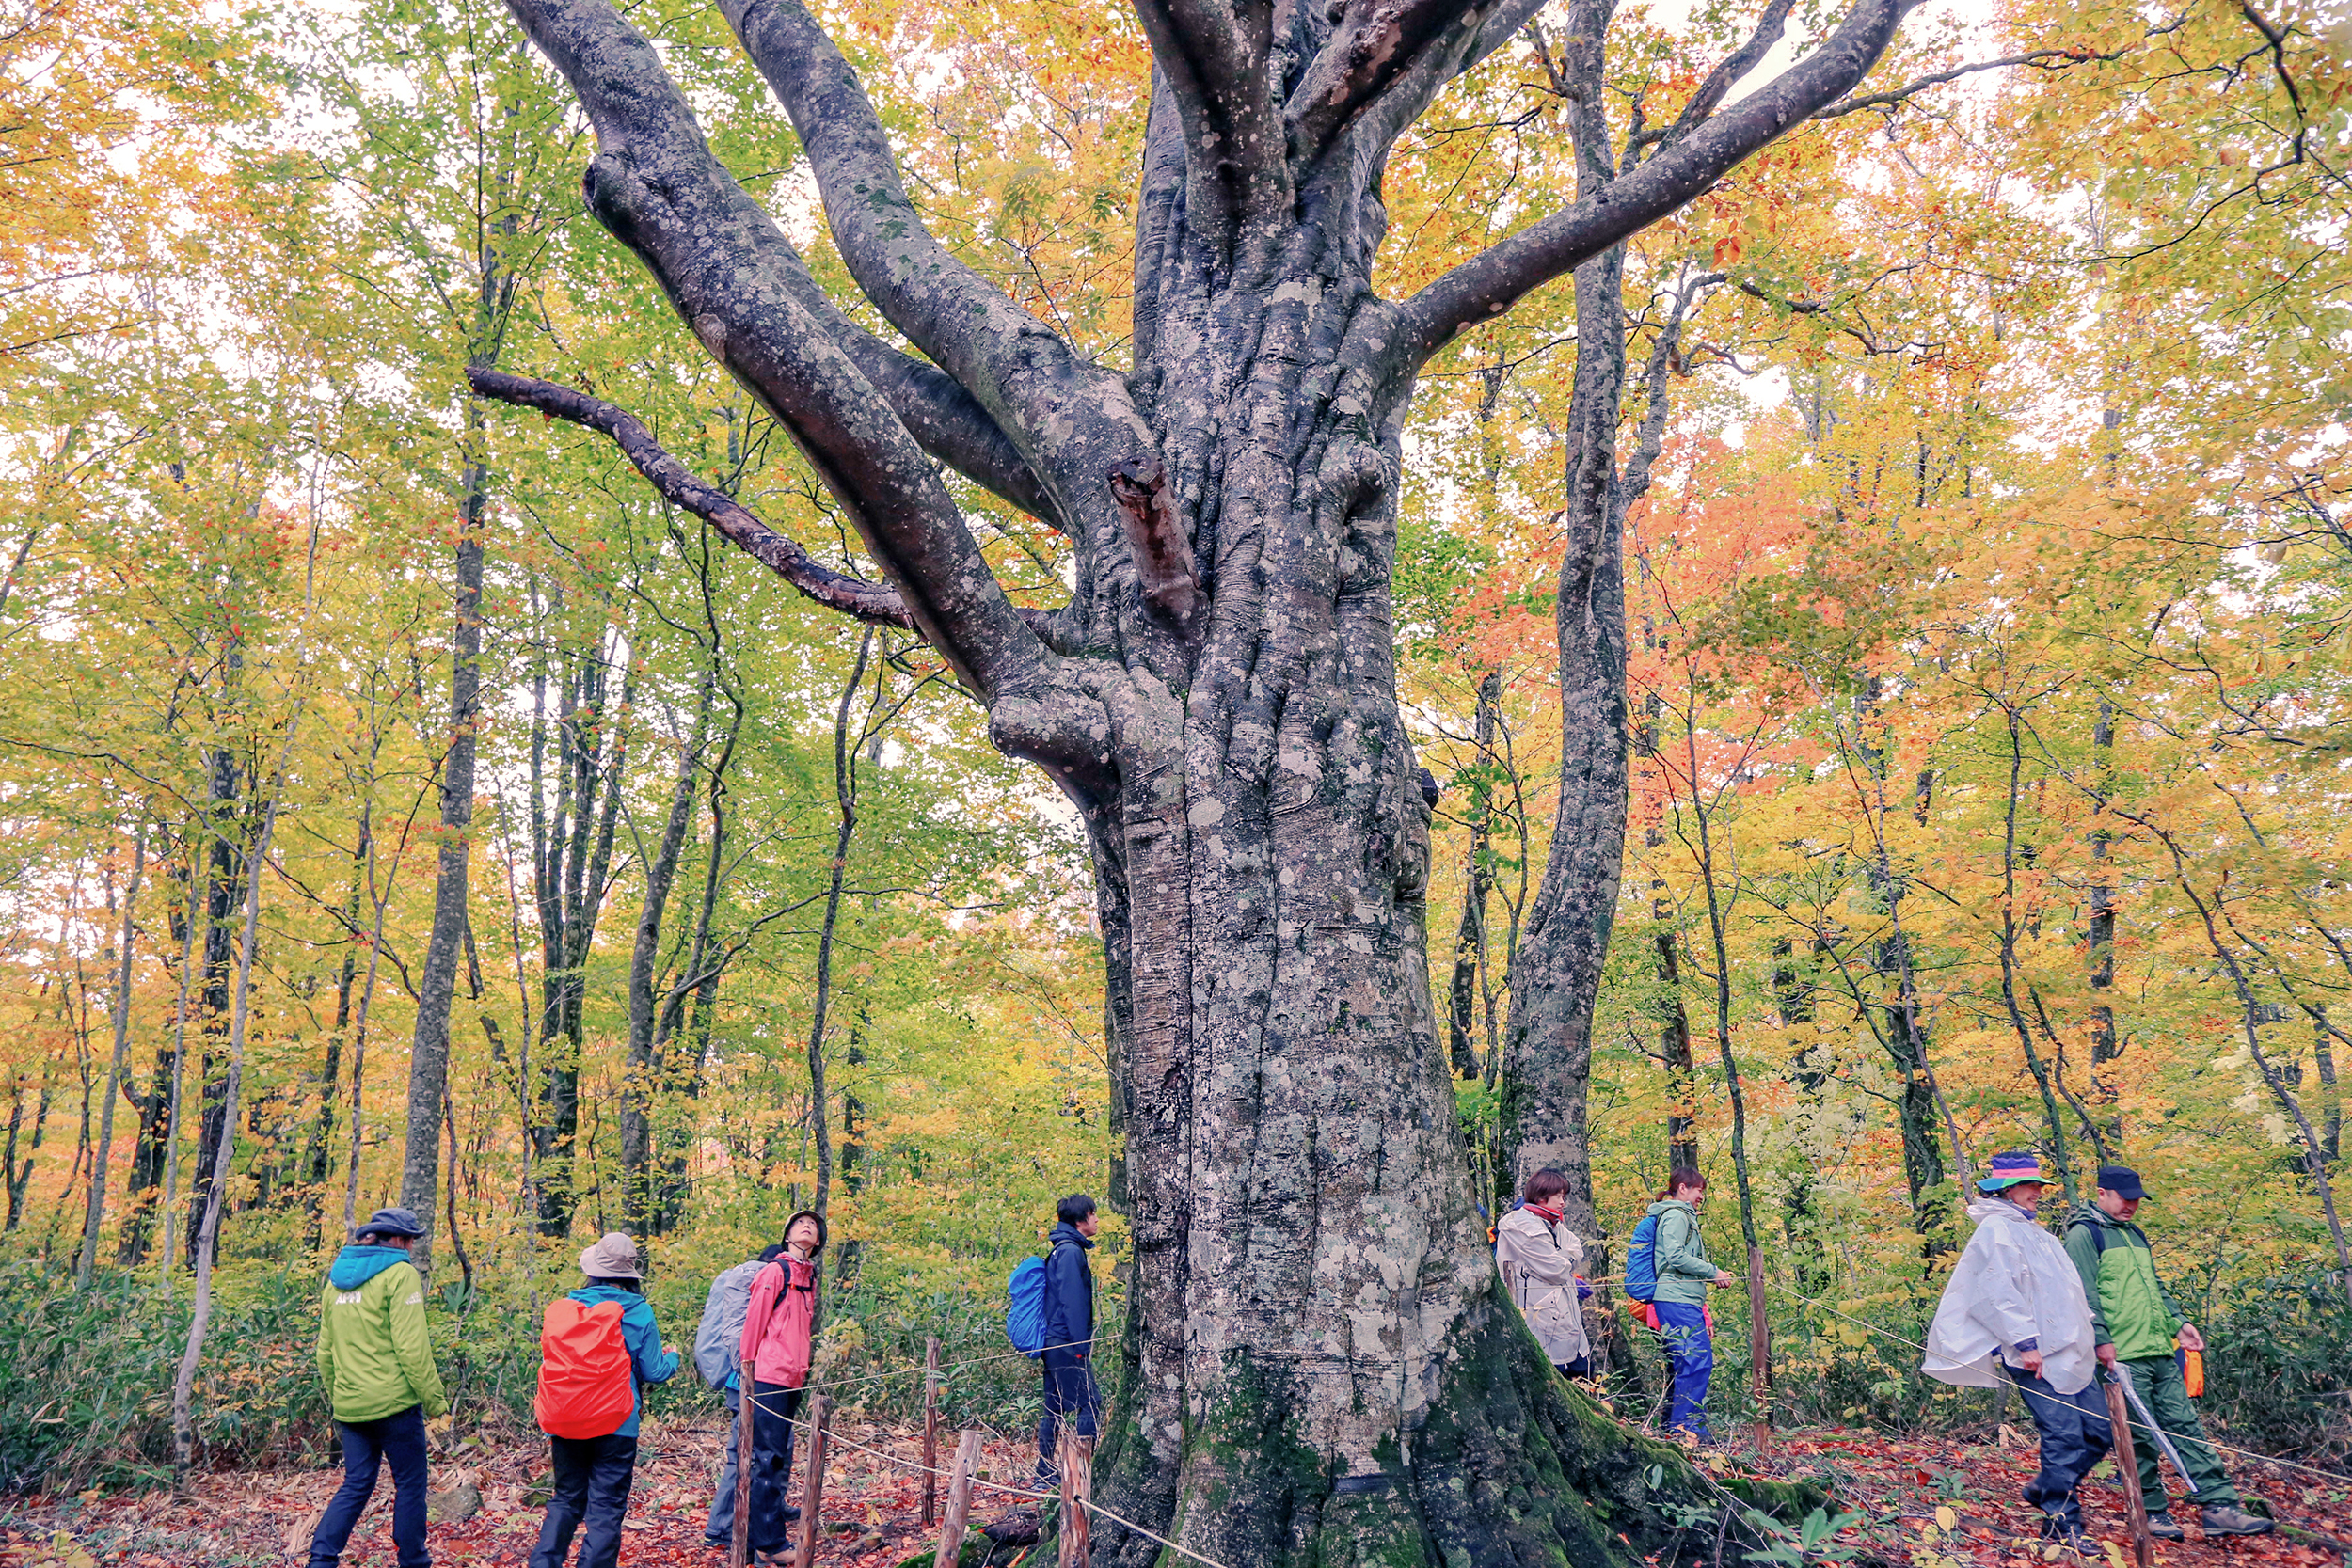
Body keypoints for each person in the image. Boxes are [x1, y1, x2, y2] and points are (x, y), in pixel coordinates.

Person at [2064, 1164, 2272, 1539]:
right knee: (2139, 1436)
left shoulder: (2135, 1234)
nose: (2131, 1205)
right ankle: (2152, 1512)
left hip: (2159, 1348)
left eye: (2136, 1200)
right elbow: (2080, 1294)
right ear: (2102, 1193)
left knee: (2186, 1426)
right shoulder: (2084, 1234)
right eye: (2124, 1198)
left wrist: (2179, 1322)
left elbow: (2154, 1286)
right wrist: (2100, 1340)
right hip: (2122, 1354)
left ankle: (2220, 1508)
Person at [1924, 1151, 2108, 1552]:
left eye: (2039, 1187)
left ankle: (2045, 1488)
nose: (2037, 1194)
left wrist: (2094, 1338)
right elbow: (1994, 1293)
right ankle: (2062, 1525)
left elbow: (2066, 1295)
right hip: (2033, 1355)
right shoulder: (1995, 1231)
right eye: (2030, 1187)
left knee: (2099, 1432)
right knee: (2063, 1437)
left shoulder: (2039, 1235)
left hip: (2071, 1351)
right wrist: (2025, 1344)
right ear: (2008, 1190)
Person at [307, 1207, 449, 1568]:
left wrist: (340, 1394)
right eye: (412, 1240)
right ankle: (414, 1560)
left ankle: (321, 1559)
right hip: (395, 1405)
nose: (413, 1247)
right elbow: (412, 1349)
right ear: (398, 1239)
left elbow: (324, 1351)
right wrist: (436, 1403)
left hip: (351, 1406)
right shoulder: (400, 1275)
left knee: (356, 1484)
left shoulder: (334, 1280)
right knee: (411, 1484)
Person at [530, 1233, 681, 1568]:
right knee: (606, 1507)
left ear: (593, 1270)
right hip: (618, 1422)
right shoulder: (639, 1312)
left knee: (566, 1498)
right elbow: (655, 1371)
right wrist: (675, 1358)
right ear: (629, 1274)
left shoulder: (568, 1308)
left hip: (567, 1419)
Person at [739, 1212, 824, 1567]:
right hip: (769, 1375)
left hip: (793, 1376)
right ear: (788, 1235)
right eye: (799, 1223)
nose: (807, 1226)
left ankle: (756, 1539)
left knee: (777, 1459)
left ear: (817, 1241)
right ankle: (768, 1543)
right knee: (766, 1459)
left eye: (814, 1225)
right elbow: (754, 1323)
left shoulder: (810, 1275)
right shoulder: (775, 1272)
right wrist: (748, 1373)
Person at [695, 1243, 784, 1549]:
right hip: (748, 1382)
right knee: (743, 1455)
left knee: (760, 1452)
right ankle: (720, 1528)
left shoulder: (741, 1284)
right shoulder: (759, 1285)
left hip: (742, 1382)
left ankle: (765, 1515)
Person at [1644, 1167, 1736, 1440]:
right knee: (1695, 1361)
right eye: (1698, 1191)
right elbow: (1675, 1256)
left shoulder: (1681, 1215)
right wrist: (1712, 1271)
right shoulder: (1675, 1215)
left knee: (1692, 1362)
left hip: (1684, 1299)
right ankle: (1686, 1430)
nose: (1700, 1197)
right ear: (1683, 1188)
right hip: (1675, 1298)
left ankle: (1682, 1426)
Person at [1495, 1168, 1592, 1377]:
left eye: (1564, 1196)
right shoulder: (1522, 1226)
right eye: (1558, 1196)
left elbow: (1576, 1248)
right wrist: (1563, 1260)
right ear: (1540, 1196)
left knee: (1582, 1373)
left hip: (1565, 1314)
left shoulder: (1552, 1223)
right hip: (1539, 1316)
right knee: (1551, 1375)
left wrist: (1561, 1258)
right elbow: (1555, 1270)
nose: (1563, 1202)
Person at [1036, 1194, 1101, 1485]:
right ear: (1079, 1221)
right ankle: (1082, 1472)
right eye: (1092, 1214)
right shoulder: (1071, 1252)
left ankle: (1044, 1471)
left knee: (1056, 1406)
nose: (1097, 1219)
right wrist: (1080, 1346)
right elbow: (1072, 1302)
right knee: (1090, 1403)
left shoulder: (1064, 1249)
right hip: (1064, 1343)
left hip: (1056, 1342)